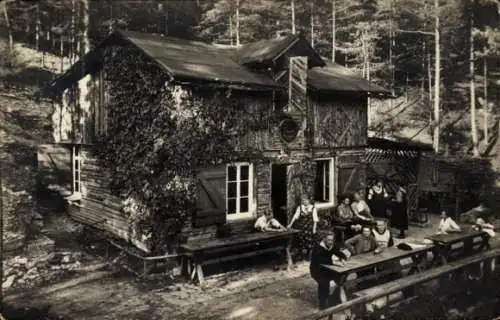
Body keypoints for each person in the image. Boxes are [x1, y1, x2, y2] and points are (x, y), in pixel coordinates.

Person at [310, 231, 348, 310]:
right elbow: (321, 260)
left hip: (328, 270)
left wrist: (343, 258)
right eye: (329, 240)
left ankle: (334, 299)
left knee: (340, 278)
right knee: (324, 284)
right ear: (324, 239)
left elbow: (338, 252)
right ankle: (322, 306)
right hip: (317, 271)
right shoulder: (317, 248)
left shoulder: (332, 246)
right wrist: (335, 263)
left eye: (332, 240)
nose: (331, 242)